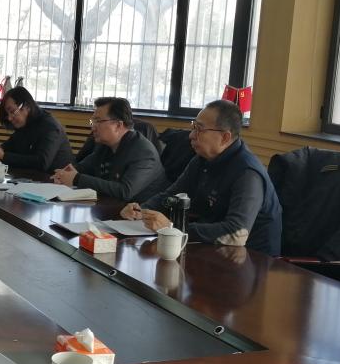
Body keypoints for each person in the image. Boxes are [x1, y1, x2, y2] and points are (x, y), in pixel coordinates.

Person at [121, 99, 282, 254]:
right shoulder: (202, 159)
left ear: (225, 137)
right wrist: (141, 210)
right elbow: (171, 195)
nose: (191, 135)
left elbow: (236, 233)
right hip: (211, 248)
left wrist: (172, 228)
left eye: (199, 129)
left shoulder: (247, 173)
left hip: (252, 259)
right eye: (193, 127)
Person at [51, 97, 167, 201]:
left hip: (142, 213)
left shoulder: (144, 153)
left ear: (118, 125)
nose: (93, 127)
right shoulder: (105, 145)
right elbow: (83, 168)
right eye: (92, 121)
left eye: (98, 121)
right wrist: (64, 174)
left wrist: (76, 179)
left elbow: (125, 191)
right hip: (110, 207)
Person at [0, 86, 73, 172]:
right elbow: (9, 146)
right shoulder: (26, 123)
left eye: (12, 111)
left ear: (27, 106)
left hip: (56, 180)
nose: (9, 118)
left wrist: (3, 156)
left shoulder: (50, 127)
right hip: (32, 178)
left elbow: (42, 162)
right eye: (7, 114)